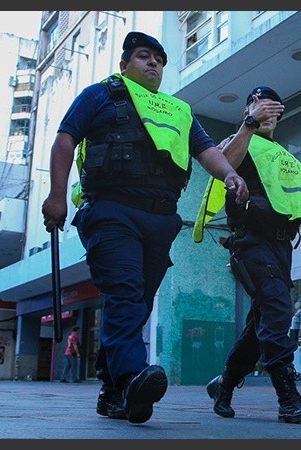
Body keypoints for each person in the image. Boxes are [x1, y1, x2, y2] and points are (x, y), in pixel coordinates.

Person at [42, 31, 249, 424]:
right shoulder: (99, 94)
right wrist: (55, 195)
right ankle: (130, 380)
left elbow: (207, 152)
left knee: (138, 303)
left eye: (158, 59)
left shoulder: (178, 110)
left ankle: (112, 389)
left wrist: (230, 176)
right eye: (143, 56)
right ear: (124, 65)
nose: (153, 63)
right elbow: (65, 141)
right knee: (125, 291)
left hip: (161, 217)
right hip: (111, 210)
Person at [193, 86, 301, 424]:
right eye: (258, 104)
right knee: (278, 309)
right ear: (249, 108)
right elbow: (222, 167)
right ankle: (288, 398)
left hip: (281, 245)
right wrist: (249, 123)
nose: (265, 111)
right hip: (250, 242)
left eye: (272, 108)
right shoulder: (237, 140)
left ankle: (226, 384)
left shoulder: (286, 157)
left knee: (260, 323)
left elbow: (300, 198)